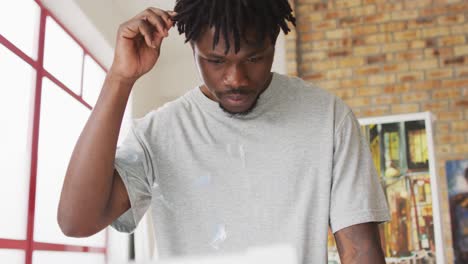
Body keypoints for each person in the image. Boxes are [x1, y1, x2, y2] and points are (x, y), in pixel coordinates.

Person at [57, 0, 390, 263]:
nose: (236, 79)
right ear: (192, 48)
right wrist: (120, 78)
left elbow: (360, 251)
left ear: (274, 41)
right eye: (215, 61)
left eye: (254, 58)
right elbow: (77, 221)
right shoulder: (159, 132)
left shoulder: (328, 118)